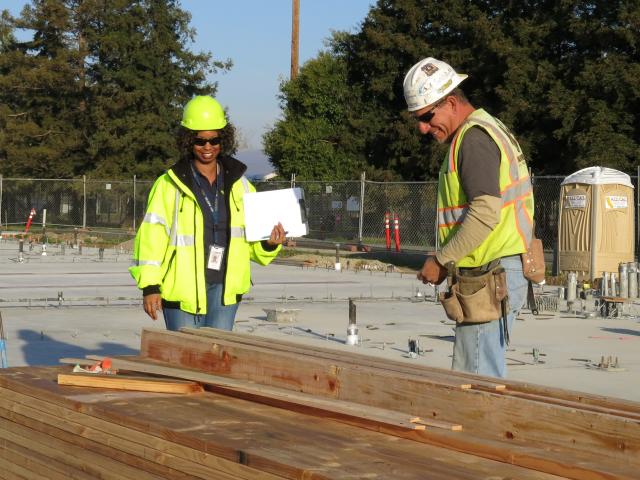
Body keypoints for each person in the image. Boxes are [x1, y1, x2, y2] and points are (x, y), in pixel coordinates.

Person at [403, 58, 534, 378]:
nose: (422, 127)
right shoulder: (487, 128)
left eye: (426, 116)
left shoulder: (473, 139)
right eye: (417, 119)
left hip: (490, 276)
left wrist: (442, 259)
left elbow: (484, 213)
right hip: (494, 272)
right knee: (478, 372)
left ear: (450, 102)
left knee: (475, 381)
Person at [130, 95, 286, 331]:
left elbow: (252, 244)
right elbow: (152, 240)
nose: (207, 147)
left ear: (223, 139)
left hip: (225, 292)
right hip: (182, 293)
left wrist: (269, 244)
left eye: (214, 140)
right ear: (187, 141)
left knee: (216, 363)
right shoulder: (168, 185)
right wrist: (150, 287)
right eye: (200, 141)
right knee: (184, 362)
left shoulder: (241, 185)